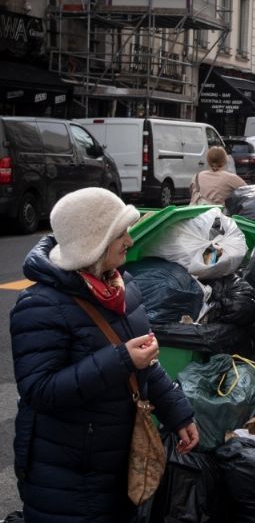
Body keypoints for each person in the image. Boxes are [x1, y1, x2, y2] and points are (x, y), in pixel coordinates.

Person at [11, 187, 200, 522]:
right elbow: (40, 391)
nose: (129, 241)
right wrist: (121, 360)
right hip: (68, 477)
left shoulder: (120, 286)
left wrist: (178, 413)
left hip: (119, 462)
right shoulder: (40, 306)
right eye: (120, 234)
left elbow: (144, 361)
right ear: (94, 243)